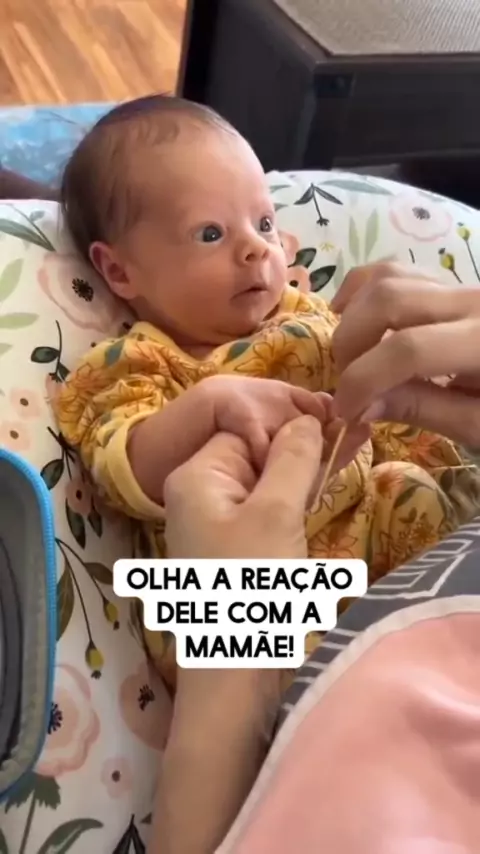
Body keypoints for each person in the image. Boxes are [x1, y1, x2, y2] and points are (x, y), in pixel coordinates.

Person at [51, 93, 479, 694]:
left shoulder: (303, 312)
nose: (255, 247)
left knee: (415, 490)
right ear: (121, 271)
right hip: (253, 598)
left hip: (386, 541)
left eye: (265, 223)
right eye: (210, 233)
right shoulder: (141, 362)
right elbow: (120, 465)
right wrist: (209, 407)